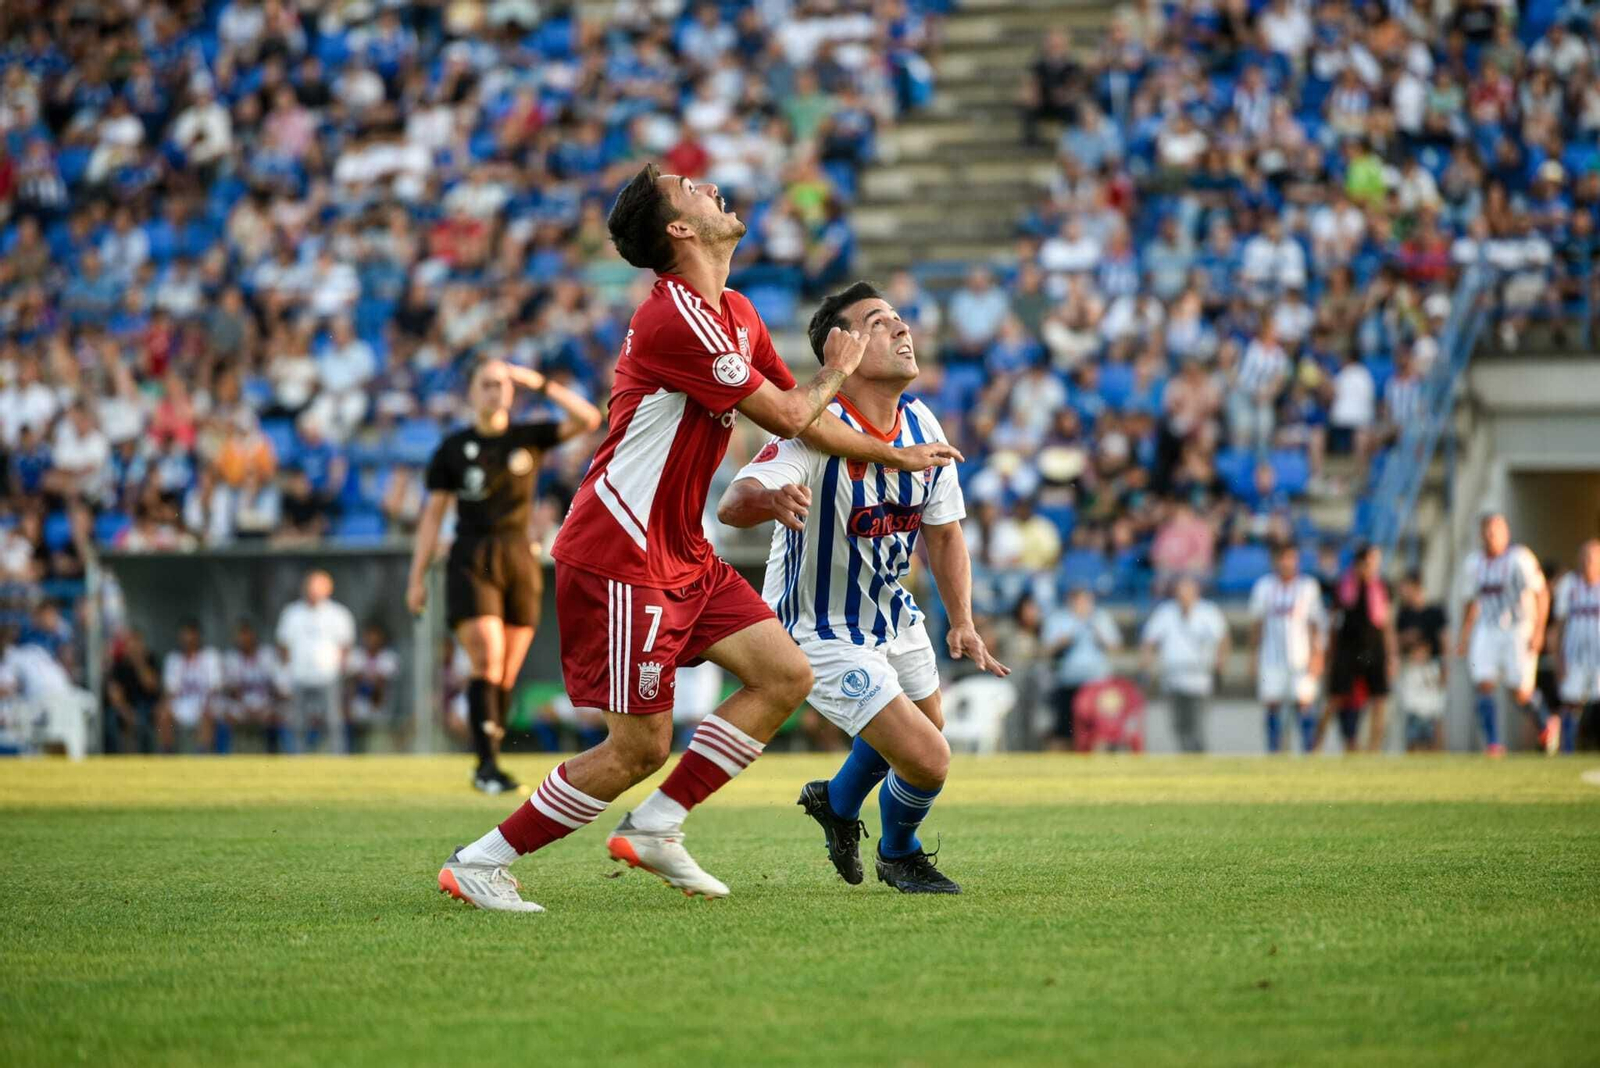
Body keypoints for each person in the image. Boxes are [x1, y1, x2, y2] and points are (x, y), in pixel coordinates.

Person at [437, 164, 960, 912]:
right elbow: (788, 416)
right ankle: (482, 860)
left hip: (681, 551)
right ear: (679, 229)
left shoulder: (738, 311)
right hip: (621, 552)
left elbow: (806, 413)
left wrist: (898, 453)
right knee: (638, 747)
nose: (707, 186)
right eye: (687, 187)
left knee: (784, 675)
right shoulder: (672, 317)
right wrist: (839, 372)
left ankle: (658, 825)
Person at [716, 282, 1009, 894]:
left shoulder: (922, 419)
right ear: (841, 348)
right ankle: (898, 855)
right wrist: (771, 500)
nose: (903, 329)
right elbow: (733, 505)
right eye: (880, 322)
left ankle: (837, 802)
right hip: (817, 628)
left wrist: (962, 621)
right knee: (928, 758)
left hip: (891, 616)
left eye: (901, 318)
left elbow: (946, 533)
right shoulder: (810, 426)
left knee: (925, 735)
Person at [406, 357, 602, 793]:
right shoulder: (453, 449)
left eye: (501, 383)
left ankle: (489, 762)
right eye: (486, 384)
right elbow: (431, 517)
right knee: (488, 658)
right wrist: (417, 577)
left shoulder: (527, 438)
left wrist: (538, 381)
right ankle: (486, 765)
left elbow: (588, 418)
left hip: (520, 558)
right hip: (472, 557)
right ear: (473, 393)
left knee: (507, 673)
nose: (495, 391)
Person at [1455, 513, 1549, 757]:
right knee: (1484, 682)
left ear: (1505, 533)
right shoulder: (1474, 564)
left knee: (1519, 691)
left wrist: (1539, 631)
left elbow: (1541, 593)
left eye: (1496, 531)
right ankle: (1494, 744)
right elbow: (1470, 603)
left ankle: (1546, 723)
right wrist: (1464, 636)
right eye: (1487, 531)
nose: (1491, 536)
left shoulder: (1520, 558)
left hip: (1518, 628)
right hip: (1487, 628)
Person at [1248, 541, 1328, 753]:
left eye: (1291, 558)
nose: (1286, 563)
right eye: (1282, 558)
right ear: (1275, 560)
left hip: (1301, 657)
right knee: (1272, 703)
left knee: (1304, 703)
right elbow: (1257, 625)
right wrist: (1253, 657)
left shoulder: (1307, 587)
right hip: (1271, 657)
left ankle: (1308, 753)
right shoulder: (1264, 587)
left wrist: (1317, 655)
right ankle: (1275, 752)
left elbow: (1315, 624)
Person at [1319, 544, 1398, 753]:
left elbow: (1387, 624)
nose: (1374, 566)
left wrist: (1392, 655)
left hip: (1373, 647)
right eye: (1371, 561)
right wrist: (1329, 654)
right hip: (1348, 647)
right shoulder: (1344, 586)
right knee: (1335, 696)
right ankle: (1316, 745)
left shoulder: (1382, 586)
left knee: (1379, 699)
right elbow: (1334, 621)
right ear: (1360, 563)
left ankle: (1374, 749)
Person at [1140, 575, 1229, 753]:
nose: (1184, 595)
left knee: (1196, 724)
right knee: (1178, 724)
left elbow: (1223, 639)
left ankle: (1198, 755)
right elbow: (1149, 640)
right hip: (1173, 678)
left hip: (1199, 678)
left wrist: (1220, 664)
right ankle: (1185, 754)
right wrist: (1146, 666)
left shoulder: (1208, 612)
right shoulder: (1165, 612)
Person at [275, 570, 357, 754]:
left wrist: (341, 672)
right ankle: (297, 759)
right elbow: (283, 646)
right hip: (300, 676)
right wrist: (286, 672)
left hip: (328, 676)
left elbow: (346, 646)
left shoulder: (338, 614)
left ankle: (338, 758)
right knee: (297, 723)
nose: (313, 591)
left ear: (328, 589)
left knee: (333, 723)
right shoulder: (292, 613)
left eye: (318, 586)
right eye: (311, 586)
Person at [1042, 588, 1121, 750]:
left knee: (1099, 728)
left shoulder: (1100, 618)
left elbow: (1115, 647)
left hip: (1097, 684)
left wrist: (1098, 634)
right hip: (1069, 682)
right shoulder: (1059, 619)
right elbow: (1047, 649)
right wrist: (1066, 640)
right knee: (1066, 729)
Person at [1548, 540, 1600, 755]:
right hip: (1574, 656)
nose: (1588, 562)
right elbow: (1558, 627)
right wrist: (1558, 660)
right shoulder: (1568, 585)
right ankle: (1567, 750)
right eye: (1584, 557)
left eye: (1593, 557)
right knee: (1571, 703)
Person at [221, 620, 286, 753]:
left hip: (265, 705)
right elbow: (229, 690)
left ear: (254, 636)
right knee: (226, 715)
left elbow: (276, 688)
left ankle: (272, 754)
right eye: (240, 635)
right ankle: (225, 755)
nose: (243, 639)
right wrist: (246, 708)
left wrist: (263, 707)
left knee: (274, 716)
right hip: (241, 706)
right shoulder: (231, 658)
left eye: (247, 635)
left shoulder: (268, 655)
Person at [159, 619, 223, 753]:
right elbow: (170, 691)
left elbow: (216, 687)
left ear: (198, 635)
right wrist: (165, 705)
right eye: (184, 635)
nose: (187, 639)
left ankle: (202, 755)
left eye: (190, 634)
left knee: (208, 711)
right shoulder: (173, 659)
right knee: (163, 713)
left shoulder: (210, 656)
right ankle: (167, 754)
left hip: (204, 702)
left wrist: (206, 703)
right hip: (182, 704)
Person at [345, 621, 400, 754]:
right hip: (359, 703)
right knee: (347, 715)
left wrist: (366, 677)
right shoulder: (356, 655)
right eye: (369, 637)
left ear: (382, 639)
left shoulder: (389, 657)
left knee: (376, 691)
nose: (372, 640)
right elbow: (352, 681)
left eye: (376, 637)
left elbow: (381, 682)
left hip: (381, 704)